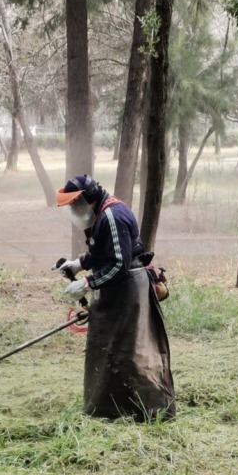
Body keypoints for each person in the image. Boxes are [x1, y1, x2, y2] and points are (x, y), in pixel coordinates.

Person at [55, 174, 176, 422]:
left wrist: (88, 283)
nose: (75, 212)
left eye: (75, 206)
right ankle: (110, 409)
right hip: (117, 289)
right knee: (110, 349)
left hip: (129, 289)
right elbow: (104, 251)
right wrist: (80, 264)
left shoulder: (112, 216)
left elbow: (119, 264)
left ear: (85, 201)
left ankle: (151, 410)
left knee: (133, 351)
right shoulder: (101, 214)